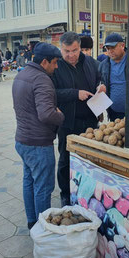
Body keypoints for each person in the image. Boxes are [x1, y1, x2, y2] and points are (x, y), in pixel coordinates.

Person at [13, 42, 65, 230]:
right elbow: (46, 114)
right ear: (45, 62)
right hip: (38, 144)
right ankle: (44, 229)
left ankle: (32, 221)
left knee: (29, 181)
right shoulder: (42, 80)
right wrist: (60, 115)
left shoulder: (21, 75)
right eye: (55, 62)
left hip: (23, 140)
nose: (57, 66)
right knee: (43, 187)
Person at [52, 32, 103, 206]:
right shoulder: (55, 65)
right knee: (66, 159)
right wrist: (75, 94)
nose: (71, 55)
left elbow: (99, 78)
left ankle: (85, 192)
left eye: (74, 50)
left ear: (80, 48)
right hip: (67, 122)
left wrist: (101, 85)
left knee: (88, 159)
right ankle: (65, 194)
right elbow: (52, 93)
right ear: (61, 49)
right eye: (66, 51)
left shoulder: (90, 62)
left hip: (89, 120)